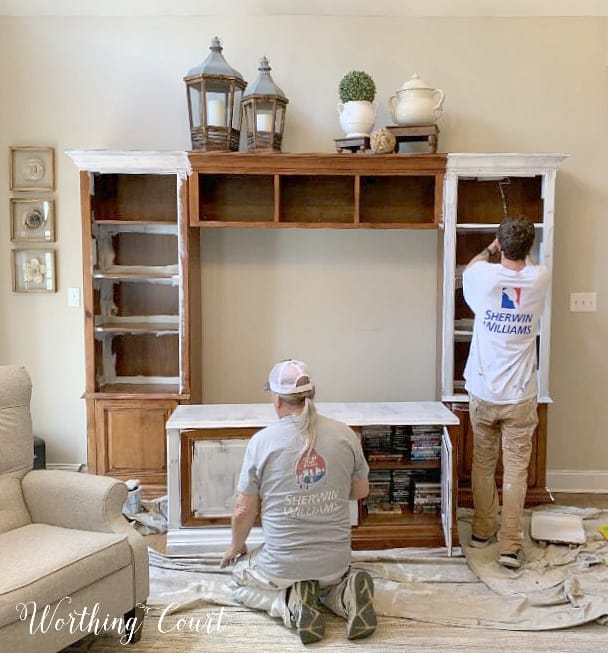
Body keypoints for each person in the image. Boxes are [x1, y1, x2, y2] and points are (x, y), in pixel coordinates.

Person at [220, 359, 377, 644]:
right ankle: (343, 594)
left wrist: (236, 546)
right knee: (324, 583)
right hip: (336, 564)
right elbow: (360, 492)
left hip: (282, 566)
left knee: (238, 583)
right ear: (312, 395)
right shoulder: (346, 435)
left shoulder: (262, 442)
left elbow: (244, 509)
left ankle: (290, 602)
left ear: (277, 401)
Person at [462, 215, 550, 570]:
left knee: (483, 463)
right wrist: (512, 246)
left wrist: (490, 246)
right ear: (529, 248)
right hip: (520, 396)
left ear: (501, 246)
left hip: (483, 392)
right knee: (516, 470)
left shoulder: (482, 277)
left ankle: (483, 530)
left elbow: (472, 264)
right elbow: (525, 265)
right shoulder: (539, 278)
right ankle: (510, 546)